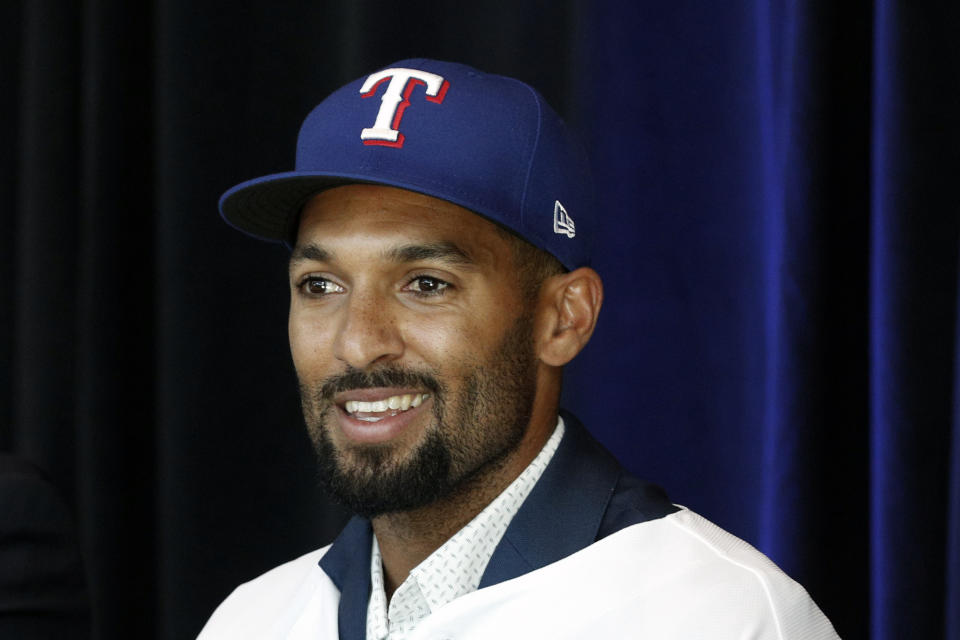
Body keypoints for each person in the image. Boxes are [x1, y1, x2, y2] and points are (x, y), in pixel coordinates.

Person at [199, 59, 839, 639]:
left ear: (564, 319)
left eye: (426, 284)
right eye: (321, 285)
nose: (359, 342)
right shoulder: (251, 619)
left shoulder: (724, 618)